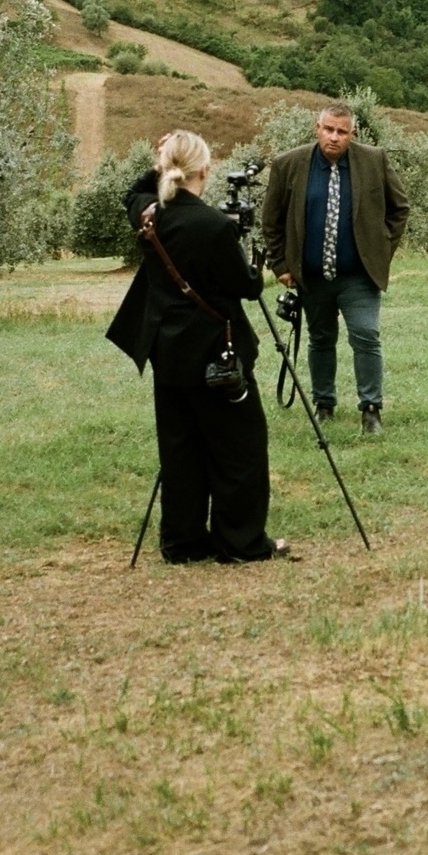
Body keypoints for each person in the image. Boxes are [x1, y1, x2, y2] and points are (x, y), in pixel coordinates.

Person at [107, 129, 285, 564]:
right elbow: (245, 287)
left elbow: (132, 193)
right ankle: (240, 542)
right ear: (205, 169)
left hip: (166, 350)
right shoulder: (213, 226)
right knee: (239, 446)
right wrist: (254, 261)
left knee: (180, 447)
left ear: (165, 168)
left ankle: (182, 542)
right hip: (214, 354)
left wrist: (158, 161)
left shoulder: (149, 215)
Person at [261, 102, 410, 435]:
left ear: (352, 133)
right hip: (311, 276)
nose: (334, 137)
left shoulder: (374, 160)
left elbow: (399, 208)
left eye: (342, 131)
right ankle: (324, 404)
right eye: (328, 129)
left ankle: (371, 409)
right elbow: (271, 220)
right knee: (320, 339)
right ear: (317, 128)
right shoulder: (288, 164)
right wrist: (280, 264)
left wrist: (380, 251)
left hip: (358, 276)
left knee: (366, 335)